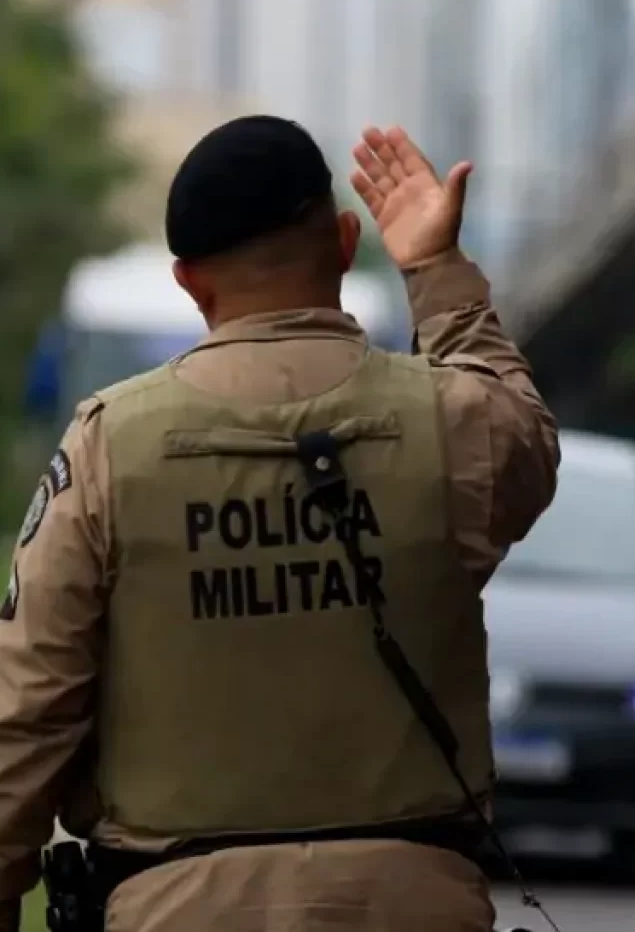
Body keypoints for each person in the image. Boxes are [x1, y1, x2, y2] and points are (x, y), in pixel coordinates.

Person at [0, 116, 560, 931]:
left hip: (175, 906)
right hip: (415, 904)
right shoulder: (451, 423)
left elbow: (28, 709)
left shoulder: (107, 446)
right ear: (342, 241)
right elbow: (526, 440)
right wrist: (438, 271)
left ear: (190, 282)